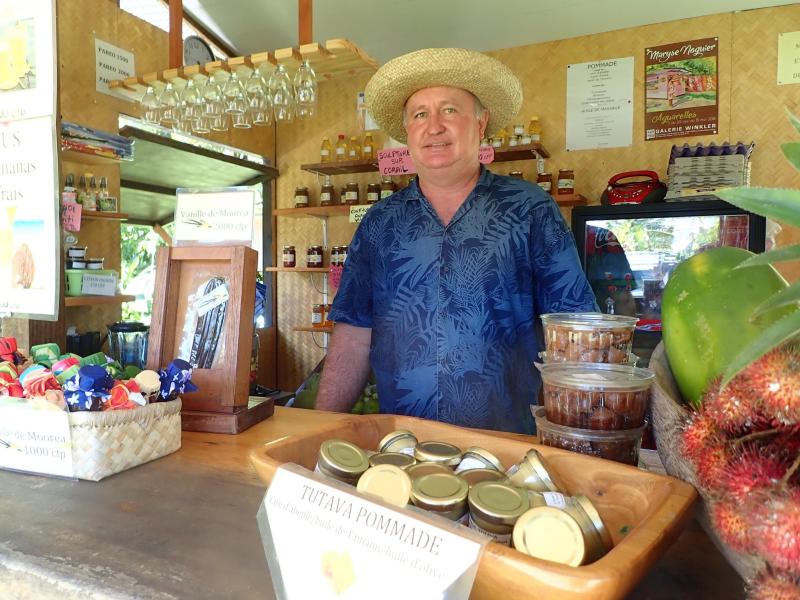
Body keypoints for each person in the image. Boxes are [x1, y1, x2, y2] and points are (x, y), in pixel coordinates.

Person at [315, 48, 597, 434]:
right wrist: (317, 432)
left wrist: (582, 439)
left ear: (481, 123)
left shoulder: (530, 210)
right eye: (420, 114)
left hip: (508, 447)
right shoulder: (379, 223)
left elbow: (574, 330)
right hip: (403, 444)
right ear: (408, 133)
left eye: (449, 110)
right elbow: (352, 336)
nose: (434, 127)